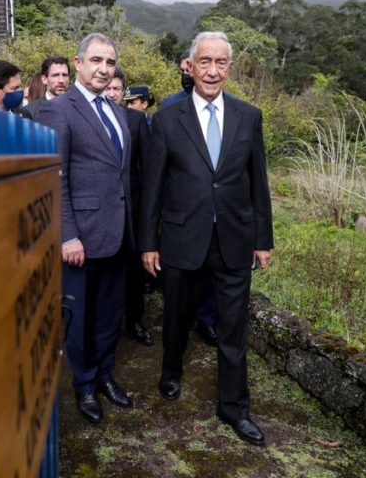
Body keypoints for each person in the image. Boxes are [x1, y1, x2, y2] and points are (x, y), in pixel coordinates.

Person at [139, 31, 273, 446]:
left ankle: (235, 408)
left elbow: (258, 182)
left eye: (221, 63)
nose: (212, 71)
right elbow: (153, 188)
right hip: (181, 239)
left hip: (235, 239)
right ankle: (171, 371)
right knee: (177, 317)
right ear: (190, 66)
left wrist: (263, 239)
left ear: (229, 68)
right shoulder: (165, 120)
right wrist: (149, 243)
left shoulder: (249, 116)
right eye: (205, 62)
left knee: (233, 330)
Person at [36, 34, 133, 424]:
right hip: (81, 237)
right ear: (78, 63)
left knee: (110, 314)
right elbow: (53, 177)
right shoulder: (59, 109)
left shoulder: (116, 110)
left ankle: (106, 373)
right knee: (80, 318)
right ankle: (85, 385)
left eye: (110, 62)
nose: (104, 69)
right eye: (96, 60)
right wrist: (67, 234)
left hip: (118, 233)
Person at [160, 50, 219, 347]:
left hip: (213, 215)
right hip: (181, 214)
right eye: (185, 67)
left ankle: (206, 321)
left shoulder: (221, 108)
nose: (188, 72)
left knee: (209, 278)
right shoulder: (169, 107)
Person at [106, 66, 153, 347]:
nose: (112, 93)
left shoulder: (135, 120)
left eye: (116, 89)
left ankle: (135, 321)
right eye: (108, 87)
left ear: (123, 93)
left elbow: (146, 168)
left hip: (133, 208)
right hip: (102, 211)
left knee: (134, 271)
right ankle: (109, 324)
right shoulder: (92, 118)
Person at [19, 55, 70, 120]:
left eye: (65, 75)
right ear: (44, 79)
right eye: (55, 75)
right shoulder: (29, 112)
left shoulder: (79, 108)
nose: (61, 80)